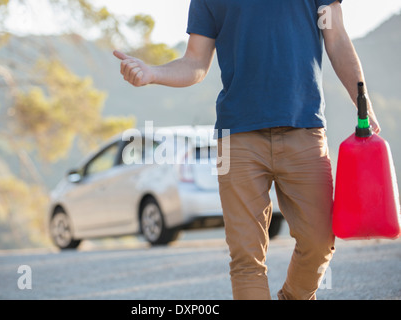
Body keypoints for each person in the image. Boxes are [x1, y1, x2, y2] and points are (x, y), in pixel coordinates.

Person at [113, 0, 381, 300]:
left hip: (304, 130)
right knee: (246, 258)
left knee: (319, 242)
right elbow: (195, 63)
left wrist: (362, 100)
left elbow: (337, 38)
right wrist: (153, 73)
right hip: (236, 138)